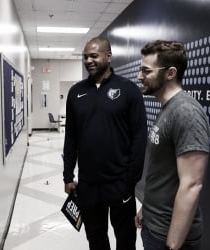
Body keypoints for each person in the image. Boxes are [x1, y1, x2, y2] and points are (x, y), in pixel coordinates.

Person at [63, 37, 148, 250]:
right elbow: (71, 136)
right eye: (85, 57)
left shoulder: (129, 90)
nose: (88, 60)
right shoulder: (76, 92)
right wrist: (68, 175)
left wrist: (131, 181)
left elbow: (139, 137)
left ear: (108, 57)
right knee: (95, 237)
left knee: (126, 238)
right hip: (89, 184)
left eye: (94, 55)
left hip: (120, 183)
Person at [134, 40, 210, 250]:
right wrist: (147, 210)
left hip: (170, 237)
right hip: (154, 226)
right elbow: (162, 172)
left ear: (170, 73)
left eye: (146, 71)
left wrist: (173, 244)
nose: (140, 76)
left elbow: (192, 185)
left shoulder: (186, 112)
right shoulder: (168, 108)